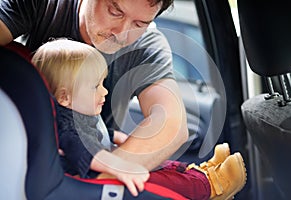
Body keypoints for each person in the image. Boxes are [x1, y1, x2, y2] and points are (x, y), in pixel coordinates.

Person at [31, 38, 247, 200]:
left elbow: (97, 130)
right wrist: (123, 166)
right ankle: (213, 185)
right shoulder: (69, 129)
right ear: (64, 97)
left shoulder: (74, 114)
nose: (104, 92)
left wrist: (117, 137)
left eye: (103, 83)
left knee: (163, 164)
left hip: (102, 165)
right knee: (158, 179)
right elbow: (88, 154)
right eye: (95, 86)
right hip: (92, 183)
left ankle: (200, 172)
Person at [0, 0, 189, 172]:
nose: (122, 34)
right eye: (115, 12)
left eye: (139, 24)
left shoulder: (148, 46)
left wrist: (103, 178)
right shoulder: (47, 5)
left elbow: (172, 122)